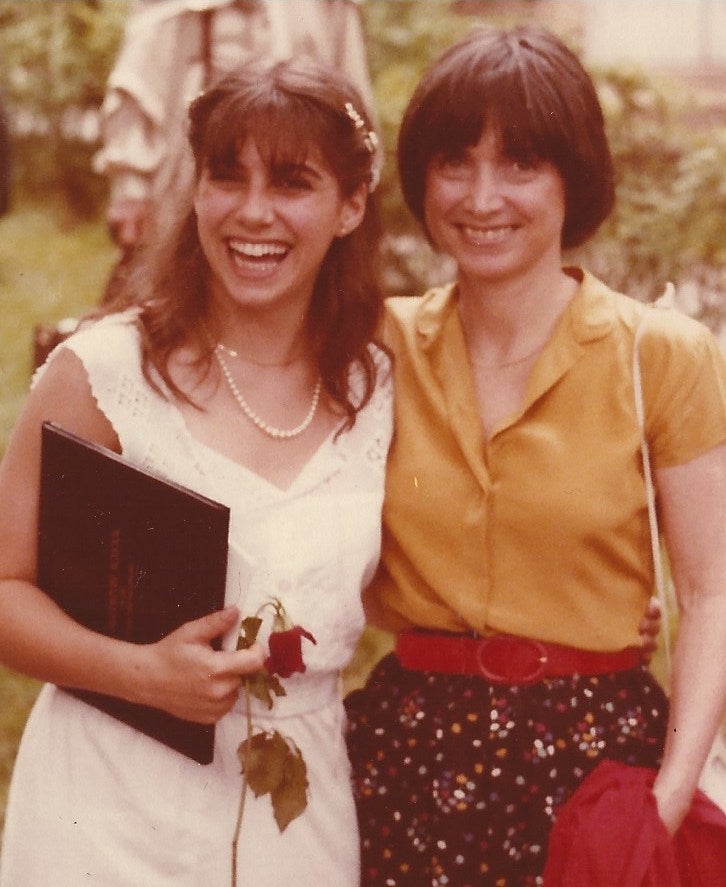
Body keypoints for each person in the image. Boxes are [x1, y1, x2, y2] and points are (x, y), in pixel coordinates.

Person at [345, 25, 726, 886]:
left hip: (596, 772)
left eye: (520, 163)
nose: (483, 197)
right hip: (409, 762)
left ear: (573, 176)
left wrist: (664, 800)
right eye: (455, 162)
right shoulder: (378, 346)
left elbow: (711, 591)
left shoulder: (659, 353)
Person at [0, 58, 390, 886]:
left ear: (351, 206)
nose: (253, 212)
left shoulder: (380, 389)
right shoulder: (104, 372)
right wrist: (137, 672)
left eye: (292, 182)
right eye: (226, 176)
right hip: (107, 808)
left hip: (299, 811)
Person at [94, 0, 374, 290]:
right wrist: (131, 188)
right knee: (176, 281)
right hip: (196, 163)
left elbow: (350, 88)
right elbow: (142, 79)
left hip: (300, 170)